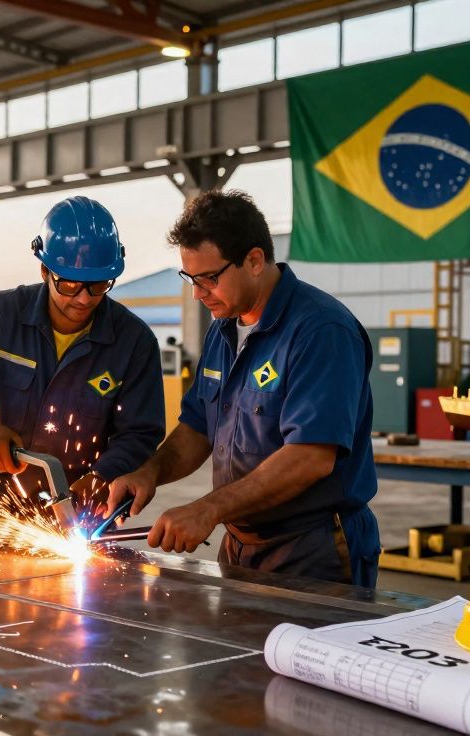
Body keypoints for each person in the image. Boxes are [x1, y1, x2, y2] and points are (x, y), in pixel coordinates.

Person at [105, 189, 381, 588]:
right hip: (239, 546)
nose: (198, 294)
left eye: (209, 279)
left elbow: (310, 457)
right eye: (191, 279)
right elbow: (197, 429)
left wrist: (207, 509)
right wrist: (150, 473)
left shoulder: (321, 331)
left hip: (312, 549)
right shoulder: (224, 332)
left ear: (254, 261)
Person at [0, 195, 165, 525]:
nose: (83, 299)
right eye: (70, 285)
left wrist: (102, 476)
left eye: (97, 287)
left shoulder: (134, 342)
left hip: (82, 516)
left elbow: (140, 433)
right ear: (45, 270)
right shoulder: (1, 315)